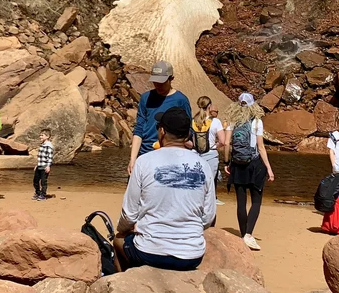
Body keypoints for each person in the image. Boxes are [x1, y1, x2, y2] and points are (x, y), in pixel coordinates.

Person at [116, 104, 216, 269]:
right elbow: (208, 216)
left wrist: (123, 230)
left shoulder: (144, 162)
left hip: (149, 252)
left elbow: (129, 214)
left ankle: (123, 285)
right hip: (192, 255)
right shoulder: (203, 165)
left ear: (161, 131)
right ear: (187, 135)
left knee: (118, 240)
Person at [225, 93, 274, 251]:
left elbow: (226, 143)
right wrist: (269, 168)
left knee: (241, 202)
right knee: (256, 201)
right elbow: (260, 147)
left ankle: (242, 234)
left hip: (238, 164)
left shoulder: (233, 121)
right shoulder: (257, 122)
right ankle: (248, 234)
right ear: (253, 105)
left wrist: (227, 162)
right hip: (255, 164)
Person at [128, 61, 191, 174]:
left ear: (171, 78)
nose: (158, 85)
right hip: (145, 152)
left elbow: (188, 130)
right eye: (155, 82)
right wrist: (133, 159)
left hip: (170, 156)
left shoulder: (181, 100)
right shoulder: (145, 98)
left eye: (162, 82)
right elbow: (139, 129)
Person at [192, 96, 222, 189]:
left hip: (195, 154)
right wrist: (214, 145)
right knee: (209, 185)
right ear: (209, 106)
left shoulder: (193, 121)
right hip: (211, 154)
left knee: (196, 185)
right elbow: (223, 141)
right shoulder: (216, 121)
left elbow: (189, 141)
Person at [33, 129, 54, 200]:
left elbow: (50, 157)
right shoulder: (42, 145)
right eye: (40, 135)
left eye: (42, 135)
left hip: (44, 167)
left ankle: (43, 195)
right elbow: (40, 156)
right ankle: (37, 193)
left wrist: (48, 166)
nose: (40, 137)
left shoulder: (49, 146)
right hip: (39, 165)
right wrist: (37, 165)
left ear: (47, 136)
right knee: (35, 181)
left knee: (43, 182)